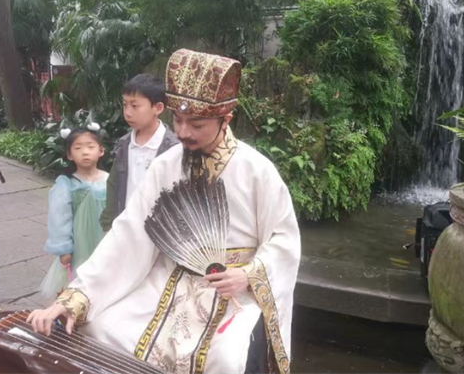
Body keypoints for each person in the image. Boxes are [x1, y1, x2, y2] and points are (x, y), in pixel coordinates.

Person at [28, 49, 301, 374]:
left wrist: (248, 275)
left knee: (227, 359)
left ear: (225, 119)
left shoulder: (256, 170)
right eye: (178, 120)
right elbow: (128, 235)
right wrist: (76, 296)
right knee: (101, 326)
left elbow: (284, 240)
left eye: (196, 124)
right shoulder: (166, 165)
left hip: (230, 291)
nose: (183, 132)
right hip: (167, 279)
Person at [99, 73, 179, 232]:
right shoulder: (124, 145)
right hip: (126, 229)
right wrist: (108, 225)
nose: (128, 112)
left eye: (135, 106)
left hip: (160, 233)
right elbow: (113, 186)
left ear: (158, 108)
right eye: (125, 105)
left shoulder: (173, 149)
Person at [40, 126, 109, 298]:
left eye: (90, 147)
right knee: (79, 276)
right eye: (78, 148)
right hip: (80, 242)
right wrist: (63, 248)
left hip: (106, 238)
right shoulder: (66, 183)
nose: (85, 152)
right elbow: (59, 218)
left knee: (106, 271)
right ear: (70, 154)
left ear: (101, 150)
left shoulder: (109, 179)